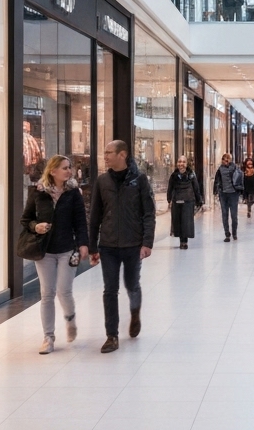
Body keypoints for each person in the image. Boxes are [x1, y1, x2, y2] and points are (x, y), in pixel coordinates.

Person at [89, 140, 156, 354]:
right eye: (105, 152)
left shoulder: (139, 180)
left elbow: (148, 213)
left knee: (132, 285)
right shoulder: (102, 181)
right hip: (108, 245)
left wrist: (147, 243)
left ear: (122, 155)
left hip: (132, 244)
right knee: (110, 290)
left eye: (109, 152)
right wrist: (93, 246)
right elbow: (95, 216)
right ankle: (112, 335)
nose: (105, 156)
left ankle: (135, 314)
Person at [21, 154, 89, 354]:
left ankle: (70, 319)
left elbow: (80, 221)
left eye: (69, 167)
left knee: (64, 291)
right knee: (47, 293)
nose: (69, 171)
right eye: (65, 168)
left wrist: (84, 244)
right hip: (44, 250)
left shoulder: (73, 193)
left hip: (67, 248)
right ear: (53, 171)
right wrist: (36, 226)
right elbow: (26, 219)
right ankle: (48, 337)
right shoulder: (38, 192)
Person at [167, 155, 203, 249]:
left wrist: (199, 200)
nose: (181, 164)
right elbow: (170, 187)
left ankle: (184, 241)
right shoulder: (174, 175)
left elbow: (196, 187)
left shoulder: (191, 174)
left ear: (186, 164)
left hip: (188, 200)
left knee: (186, 221)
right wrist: (169, 199)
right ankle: (181, 240)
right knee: (178, 221)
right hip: (177, 200)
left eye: (183, 162)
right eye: (179, 162)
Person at [213, 152, 244, 242]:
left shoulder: (235, 168)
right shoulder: (220, 170)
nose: (225, 161)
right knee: (224, 214)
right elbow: (216, 180)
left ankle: (234, 233)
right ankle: (227, 234)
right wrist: (216, 191)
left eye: (227, 159)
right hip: (223, 194)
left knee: (234, 215)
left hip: (233, 194)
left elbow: (240, 179)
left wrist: (240, 191)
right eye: (224, 159)